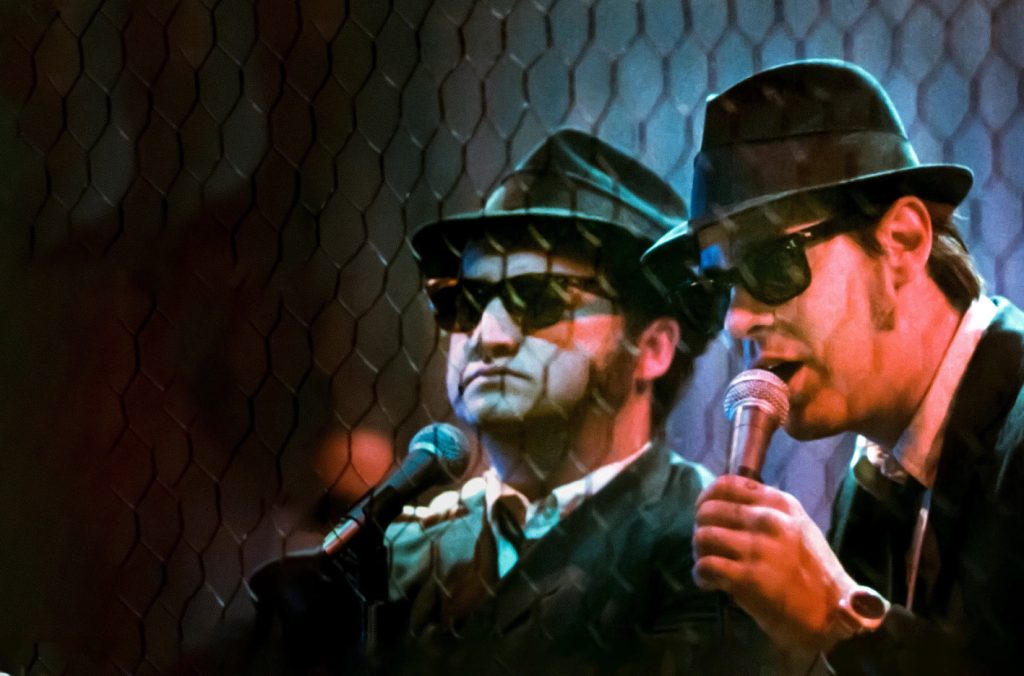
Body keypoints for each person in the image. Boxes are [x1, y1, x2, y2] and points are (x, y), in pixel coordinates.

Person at [643, 59, 1024, 674]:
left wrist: (839, 617)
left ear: (902, 242)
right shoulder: (872, 478)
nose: (736, 321)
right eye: (720, 289)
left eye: (772, 264)